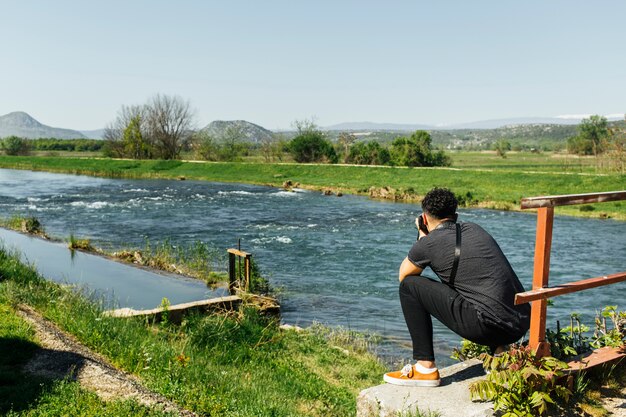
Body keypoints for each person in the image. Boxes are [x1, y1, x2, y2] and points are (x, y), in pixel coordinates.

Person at [384, 187, 530, 387]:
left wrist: (421, 237)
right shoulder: (474, 228)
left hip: (488, 328)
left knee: (409, 287)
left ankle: (425, 367)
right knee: (480, 288)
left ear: (424, 219)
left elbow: (404, 275)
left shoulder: (427, 243)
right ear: (456, 215)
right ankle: (500, 353)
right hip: (520, 323)